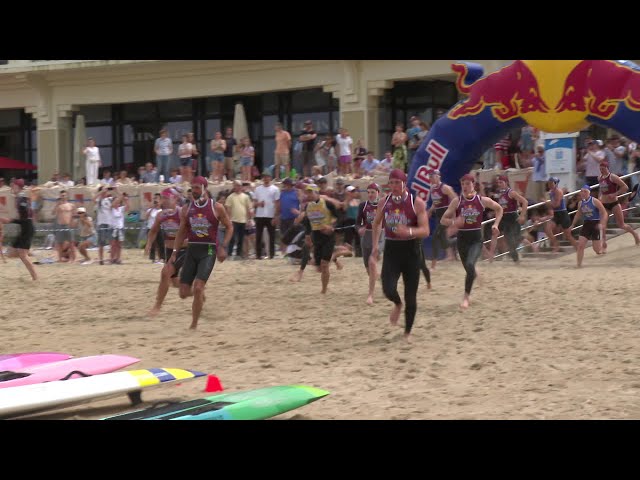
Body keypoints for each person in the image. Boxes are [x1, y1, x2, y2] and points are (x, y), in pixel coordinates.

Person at [371, 169, 430, 342]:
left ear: (405, 184)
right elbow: (376, 224)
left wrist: (409, 230)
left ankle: (407, 333)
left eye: (398, 182)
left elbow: (425, 230)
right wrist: (375, 247)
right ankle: (397, 304)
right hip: (391, 249)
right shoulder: (384, 202)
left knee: (410, 295)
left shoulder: (416, 203)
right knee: (387, 288)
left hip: (411, 250)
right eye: (391, 183)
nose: (394, 186)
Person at [169, 176, 233, 329]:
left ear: (205, 189)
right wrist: (175, 252)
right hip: (192, 250)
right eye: (192, 188)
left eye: (197, 188)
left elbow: (229, 227)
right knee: (183, 293)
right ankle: (200, 295)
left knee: (197, 287)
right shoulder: (187, 209)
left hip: (209, 250)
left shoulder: (216, 207)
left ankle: (194, 324)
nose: (194, 191)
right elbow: (181, 232)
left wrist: (223, 246)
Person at [440, 174, 503, 310]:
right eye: (463, 184)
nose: (465, 187)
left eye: (468, 184)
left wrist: (496, 224)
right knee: (469, 269)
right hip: (462, 239)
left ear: (474, 185)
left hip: (476, 239)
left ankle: (465, 297)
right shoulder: (457, 201)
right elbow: (443, 220)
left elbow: (499, 209)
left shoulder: (481, 200)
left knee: (469, 264)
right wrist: (454, 222)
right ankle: (474, 274)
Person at [147, 188, 188, 316]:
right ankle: (197, 292)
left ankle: (157, 307)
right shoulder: (161, 215)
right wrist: (148, 244)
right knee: (176, 283)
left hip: (184, 249)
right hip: (169, 250)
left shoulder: (182, 213)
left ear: (175, 199)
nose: (163, 201)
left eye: (166, 198)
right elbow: (153, 230)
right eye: (162, 198)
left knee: (165, 273)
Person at [299, 184, 339, 294]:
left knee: (324, 264)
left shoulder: (328, 204)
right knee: (318, 268)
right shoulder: (307, 206)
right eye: (307, 193)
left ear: (317, 193)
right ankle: (335, 256)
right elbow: (307, 222)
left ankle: (324, 290)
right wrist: (307, 236)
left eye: (310, 192)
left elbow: (338, 218)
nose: (308, 195)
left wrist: (331, 227)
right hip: (316, 237)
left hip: (328, 237)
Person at [598, 161, 640, 251]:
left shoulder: (612, 177)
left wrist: (615, 194)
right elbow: (601, 190)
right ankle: (603, 244)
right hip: (604, 204)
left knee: (621, 225)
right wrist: (600, 197)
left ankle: (635, 235)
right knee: (602, 225)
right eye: (600, 169)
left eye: (603, 168)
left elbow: (625, 187)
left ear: (607, 168)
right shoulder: (600, 178)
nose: (601, 170)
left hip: (614, 203)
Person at [0, 179, 37, 280]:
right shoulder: (18, 198)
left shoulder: (22, 198)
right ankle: (29, 252)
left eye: (14, 186)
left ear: (19, 187)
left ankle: (35, 277)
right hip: (24, 227)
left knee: (22, 255)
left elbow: (25, 216)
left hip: (27, 228)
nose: (12, 187)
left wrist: (10, 219)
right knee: (11, 253)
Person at [489, 175, 528, 262]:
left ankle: (531, 247)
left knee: (515, 239)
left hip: (513, 217)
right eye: (498, 183)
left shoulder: (511, 193)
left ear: (506, 183)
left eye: (501, 182)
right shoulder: (499, 193)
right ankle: (516, 259)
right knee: (508, 240)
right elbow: (499, 207)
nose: (499, 184)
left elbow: (525, 202)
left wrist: (522, 215)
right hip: (504, 217)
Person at [357, 183, 382, 305]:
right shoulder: (363, 205)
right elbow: (358, 223)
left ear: (378, 193)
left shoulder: (383, 206)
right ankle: (381, 278)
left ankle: (370, 296)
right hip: (366, 238)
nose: (371, 195)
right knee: (369, 270)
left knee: (372, 263)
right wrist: (360, 228)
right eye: (369, 192)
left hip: (379, 236)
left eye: (373, 192)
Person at [570, 185, 608, 267]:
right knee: (580, 245)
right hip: (587, 224)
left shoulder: (595, 201)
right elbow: (578, 214)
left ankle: (603, 242)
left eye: (585, 191)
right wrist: (572, 225)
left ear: (589, 193)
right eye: (581, 191)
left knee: (597, 250)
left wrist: (602, 223)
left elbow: (604, 213)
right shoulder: (580, 203)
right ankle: (578, 265)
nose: (583, 193)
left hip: (596, 224)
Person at [427, 170, 457, 268]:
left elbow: (455, 199)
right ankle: (456, 243)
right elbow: (435, 203)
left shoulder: (445, 188)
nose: (431, 178)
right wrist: (430, 211)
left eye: (432, 176)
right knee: (443, 240)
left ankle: (433, 263)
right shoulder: (432, 188)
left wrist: (453, 214)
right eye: (430, 177)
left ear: (438, 176)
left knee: (435, 237)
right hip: (438, 215)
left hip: (445, 214)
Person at [543, 177, 579, 253]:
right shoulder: (551, 192)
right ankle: (556, 244)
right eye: (549, 183)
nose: (549, 185)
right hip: (556, 214)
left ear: (555, 184)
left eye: (551, 183)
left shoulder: (558, 191)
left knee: (568, 235)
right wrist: (548, 203)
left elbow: (557, 204)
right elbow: (553, 205)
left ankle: (577, 248)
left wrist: (547, 203)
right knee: (547, 229)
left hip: (562, 214)